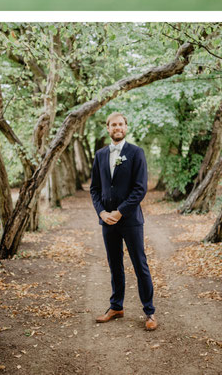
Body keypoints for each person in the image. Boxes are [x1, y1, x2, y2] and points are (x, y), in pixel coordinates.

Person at [89, 111, 157, 331]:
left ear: (126, 127)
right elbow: (95, 189)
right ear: (107, 128)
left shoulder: (136, 153)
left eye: (120, 124)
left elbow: (140, 189)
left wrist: (119, 212)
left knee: (140, 265)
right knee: (114, 264)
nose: (117, 127)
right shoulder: (100, 155)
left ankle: (149, 312)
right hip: (107, 222)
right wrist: (102, 213)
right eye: (113, 124)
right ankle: (116, 306)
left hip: (130, 220)